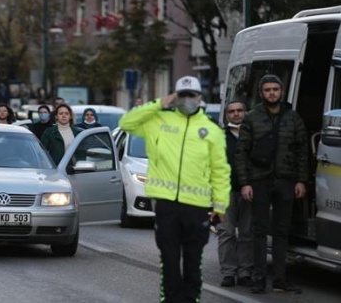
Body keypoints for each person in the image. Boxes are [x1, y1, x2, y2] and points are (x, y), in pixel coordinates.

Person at [118, 75, 230, 303]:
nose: (187, 99)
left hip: (197, 208)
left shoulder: (212, 131)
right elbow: (126, 123)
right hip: (166, 205)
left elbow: (220, 170)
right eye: (182, 95)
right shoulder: (159, 121)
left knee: (192, 264)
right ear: (175, 97)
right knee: (169, 262)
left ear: (200, 98)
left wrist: (220, 205)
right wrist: (160, 102)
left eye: (191, 95)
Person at [235, 74, 308, 294]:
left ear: (281, 91)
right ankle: (259, 278)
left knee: (282, 231)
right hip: (259, 181)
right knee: (259, 230)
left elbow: (302, 150)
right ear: (261, 93)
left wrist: (301, 180)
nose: (272, 93)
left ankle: (279, 278)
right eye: (267, 90)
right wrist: (245, 183)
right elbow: (241, 153)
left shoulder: (293, 117)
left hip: (286, 181)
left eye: (275, 89)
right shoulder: (251, 117)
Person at [217, 101, 253, 288]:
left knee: (247, 233)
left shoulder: (252, 135)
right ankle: (229, 273)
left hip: (249, 192)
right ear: (227, 115)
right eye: (232, 111)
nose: (236, 114)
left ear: (245, 113)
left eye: (240, 110)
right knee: (227, 233)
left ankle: (245, 272)